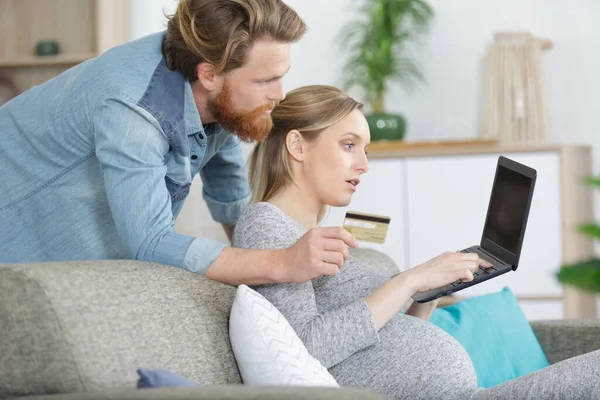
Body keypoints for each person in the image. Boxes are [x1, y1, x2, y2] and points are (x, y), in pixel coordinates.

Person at [232, 85, 600, 400]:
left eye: (365, 149)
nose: (363, 164)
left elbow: (370, 337)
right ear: (297, 145)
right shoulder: (267, 225)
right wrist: (409, 280)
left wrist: (429, 295)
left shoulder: (308, 236)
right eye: (348, 145)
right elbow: (306, 348)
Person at [0, 0, 358, 287]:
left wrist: (275, 260)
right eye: (266, 80)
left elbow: (231, 197)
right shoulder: (133, 112)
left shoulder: (221, 95)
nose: (280, 94)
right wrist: (280, 263)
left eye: (283, 77)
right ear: (209, 74)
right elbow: (150, 243)